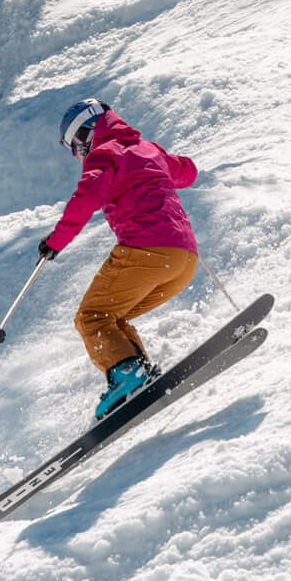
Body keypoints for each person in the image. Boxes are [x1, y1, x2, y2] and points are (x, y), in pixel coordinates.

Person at [39, 98, 203, 417]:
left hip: (147, 252)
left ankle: (128, 376)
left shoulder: (105, 153)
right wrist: (158, 166)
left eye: (74, 146)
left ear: (87, 133)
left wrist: (55, 242)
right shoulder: (147, 149)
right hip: (183, 260)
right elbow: (189, 172)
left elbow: (87, 196)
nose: (76, 155)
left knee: (92, 316)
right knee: (114, 317)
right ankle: (137, 372)